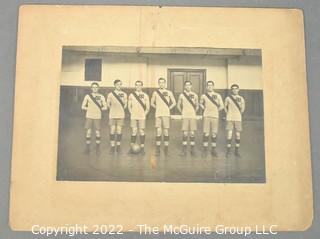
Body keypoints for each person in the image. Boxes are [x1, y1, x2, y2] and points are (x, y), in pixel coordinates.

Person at [150, 78, 176, 156]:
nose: (161, 84)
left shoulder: (169, 92)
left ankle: (166, 148)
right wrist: (157, 108)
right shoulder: (155, 93)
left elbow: (174, 102)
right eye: (160, 83)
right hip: (158, 114)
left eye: (163, 83)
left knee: (165, 131)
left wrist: (168, 108)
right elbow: (152, 103)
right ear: (158, 84)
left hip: (166, 114)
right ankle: (158, 149)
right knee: (158, 131)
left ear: (165, 84)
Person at [199, 81, 224, 157]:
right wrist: (204, 108)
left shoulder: (218, 95)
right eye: (208, 85)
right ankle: (205, 150)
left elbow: (222, 106)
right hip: (206, 116)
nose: (210, 87)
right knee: (206, 133)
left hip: (215, 116)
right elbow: (200, 103)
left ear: (213, 86)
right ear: (206, 87)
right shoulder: (203, 96)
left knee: (214, 133)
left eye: (211, 85)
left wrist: (216, 111)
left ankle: (213, 149)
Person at [81, 82, 107, 155]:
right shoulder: (87, 96)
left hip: (97, 117)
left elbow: (105, 107)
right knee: (88, 132)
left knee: (97, 132)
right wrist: (89, 109)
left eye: (96, 87)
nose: (95, 88)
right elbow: (82, 106)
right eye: (93, 87)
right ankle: (87, 148)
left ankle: (98, 148)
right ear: (91, 88)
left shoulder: (101, 96)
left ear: (98, 88)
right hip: (89, 116)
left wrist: (100, 108)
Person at [177, 80, 199, 156]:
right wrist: (182, 112)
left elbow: (197, 105)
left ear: (191, 86)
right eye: (186, 85)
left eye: (189, 85)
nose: (188, 86)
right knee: (185, 133)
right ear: (184, 86)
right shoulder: (181, 95)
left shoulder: (195, 95)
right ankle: (184, 150)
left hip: (192, 116)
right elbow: (178, 105)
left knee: (192, 133)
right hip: (185, 116)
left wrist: (194, 112)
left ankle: (192, 149)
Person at [128, 80, 150, 155]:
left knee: (141, 131)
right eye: (136, 85)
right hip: (134, 116)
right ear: (135, 86)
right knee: (134, 131)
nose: (138, 86)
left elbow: (148, 107)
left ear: (142, 86)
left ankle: (142, 148)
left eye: (139, 85)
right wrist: (132, 114)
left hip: (142, 116)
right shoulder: (131, 95)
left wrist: (144, 114)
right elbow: (129, 106)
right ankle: (131, 148)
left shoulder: (145, 95)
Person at [106, 79, 127, 154]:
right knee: (112, 130)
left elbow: (125, 105)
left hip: (121, 115)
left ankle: (118, 147)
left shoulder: (124, 94)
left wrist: (120, 109)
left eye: (120, 84)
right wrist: (113, 109)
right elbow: (108, 104)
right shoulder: (110, 94)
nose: (119, 86)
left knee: (119, 130)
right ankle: (112, 147)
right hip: (112, 114)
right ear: (114, 85)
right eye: (118, 84)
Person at [224, 84, 245, 157]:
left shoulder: (241, 98)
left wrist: (238, 115)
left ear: (238, 89)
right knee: (229, 134)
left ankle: (236, 151)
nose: (235, 90)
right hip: (230, 118)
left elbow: (242, 109)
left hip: (238, 119)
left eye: (236, 88)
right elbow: (225, 107)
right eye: (233, 89)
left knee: (237, 135)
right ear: (231, 90)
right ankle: (228, 151)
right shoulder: (228, 98)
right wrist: (228, 114)